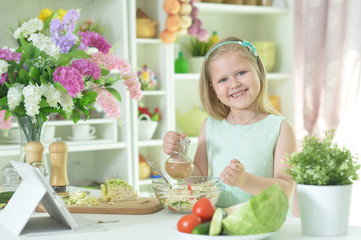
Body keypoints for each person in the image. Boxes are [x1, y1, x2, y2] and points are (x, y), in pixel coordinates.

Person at [163, 36, 296, 210]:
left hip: (262, 227)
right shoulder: (209, 126)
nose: (234, 83)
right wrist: (179, 156)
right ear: (213, 87)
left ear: (258, 71)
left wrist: (245, 180)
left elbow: (286, 190)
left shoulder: (280, 128)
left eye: (241, 73)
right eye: (223, 80)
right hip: (217, 224)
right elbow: (198, 179)